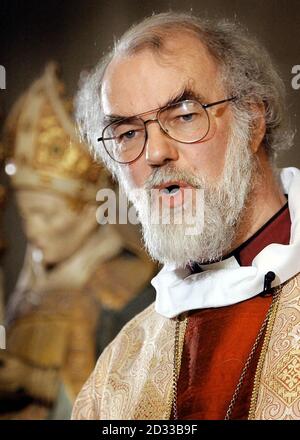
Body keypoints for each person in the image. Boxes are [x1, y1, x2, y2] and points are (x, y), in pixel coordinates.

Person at [71, 12, 300, 420]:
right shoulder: (116, 370)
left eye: (184, 115)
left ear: (253, 121)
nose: (156, 153)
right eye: (128, 133)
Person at [0, 64, 156, 419]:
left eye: (47, 214)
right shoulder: (35, 282)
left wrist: (33, 380)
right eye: (26, 215)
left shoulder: (125, 290)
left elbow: (134, 403)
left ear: (89, 212)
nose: (33, 231)